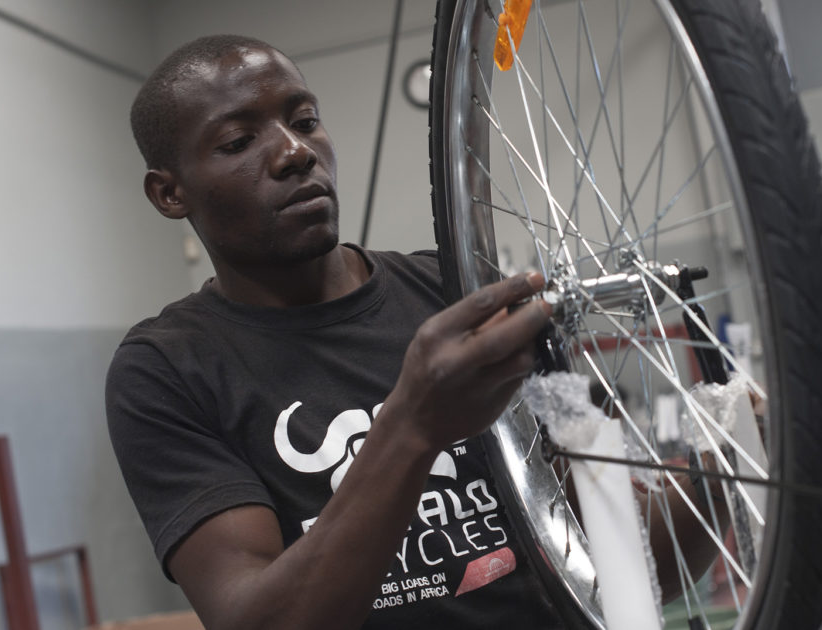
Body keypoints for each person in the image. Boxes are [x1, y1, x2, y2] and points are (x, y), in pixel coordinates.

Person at [106, 34, 564, 629]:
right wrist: (412, 423)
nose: (296, 152)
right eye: (239, 141)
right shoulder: (166, 369)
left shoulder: (453, 289)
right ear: (170, 193)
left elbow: (595, 537)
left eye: (305, 121)